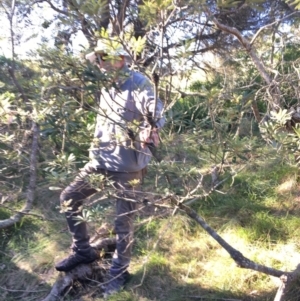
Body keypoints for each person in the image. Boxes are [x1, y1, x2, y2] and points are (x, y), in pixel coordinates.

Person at [54, 37, 165, 296]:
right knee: (69, 198)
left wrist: (151, 125)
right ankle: (83, 251)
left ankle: (119, 272)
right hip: (99, 162)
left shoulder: (138, 83)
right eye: (99, 59)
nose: (101, 64)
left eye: (106, 58)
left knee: (123, 223)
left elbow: (154, 108)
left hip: (127, 167)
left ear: (121, 59)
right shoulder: (106, 86)